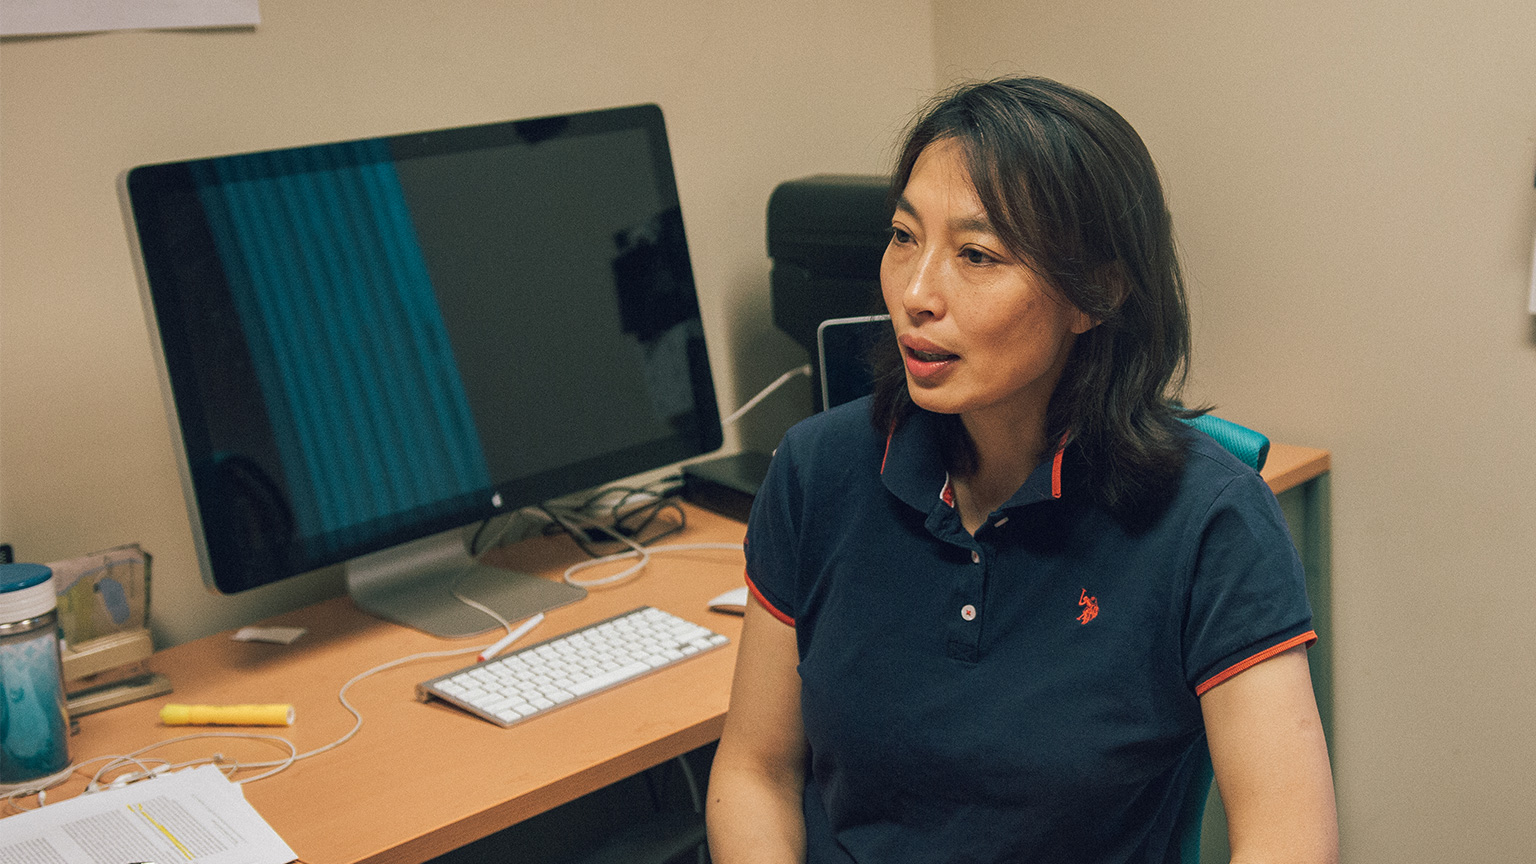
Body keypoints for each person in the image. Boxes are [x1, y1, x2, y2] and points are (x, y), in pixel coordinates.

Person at [706, 77, 1338, 863]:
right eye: (904, 237)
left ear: (1097, 292)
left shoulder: (1208, 518)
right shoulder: (817, 469)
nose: (915, 293)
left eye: (976, 255)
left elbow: (1288, 838)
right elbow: (757, 770)